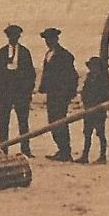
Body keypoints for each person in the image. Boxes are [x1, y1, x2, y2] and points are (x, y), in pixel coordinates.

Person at [0, 24, 36, 155]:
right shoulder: (1, 52)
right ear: (7, 36)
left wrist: (27, 91)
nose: (13, 38)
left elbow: (31, 74)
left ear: (19, 36)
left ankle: (25, 149)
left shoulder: (25, 53)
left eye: (16, 36)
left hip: (21, 94)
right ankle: (3, 149)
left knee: (23, 122)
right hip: (4, 94)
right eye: (11, 36)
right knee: (3, 123)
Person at [37, 27, 78, 162]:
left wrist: (68, 93)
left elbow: (73, 76)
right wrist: (43, 87)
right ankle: (61, 150)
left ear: (56, 39)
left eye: (50, 39)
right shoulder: (48, 54)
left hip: (61, 95)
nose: (48, 42)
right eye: (46, 40)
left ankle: (66, 152)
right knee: (52, 122)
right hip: (51, 94)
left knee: (60, 121)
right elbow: (47, 74)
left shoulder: (65, 55)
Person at [77, 56, 109, 164]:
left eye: (95, 67)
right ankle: (85, 156)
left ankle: (102, 156)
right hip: (88, 110)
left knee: (100, 133)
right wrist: (86, 102)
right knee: (87, 133)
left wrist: (98, 104)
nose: (93, 69)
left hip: (99, 111)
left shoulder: (103, 80)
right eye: (92, 67)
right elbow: (84, 92)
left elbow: (106, 95)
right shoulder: (89, 78)